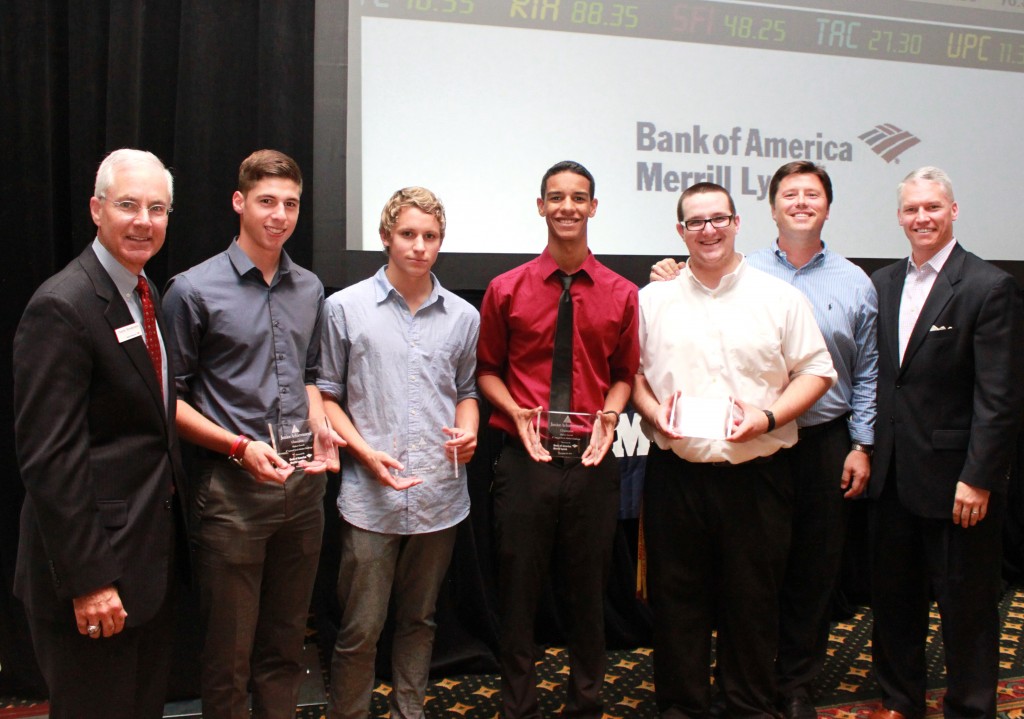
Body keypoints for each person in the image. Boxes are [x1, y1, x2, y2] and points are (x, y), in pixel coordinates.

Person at [650, 161, 878, 718]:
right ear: (680, 232)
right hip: (678, 476)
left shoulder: (778, 298)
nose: (708, 230)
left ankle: (749, 706)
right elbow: (628, 376)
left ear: (736, 223)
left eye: (719, 219)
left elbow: (817, 372)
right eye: (695, 222)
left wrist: (769, 418)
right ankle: (682, 707)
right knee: (677, 603)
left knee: (752, 603)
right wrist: (656, 411)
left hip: (758, 473)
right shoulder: (650, 300)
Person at [162, 149, 341, 719]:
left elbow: (311, 376)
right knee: (228, 660)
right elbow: (169, 403)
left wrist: (318, 419)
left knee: (286, 649)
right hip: (232, 496)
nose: (280, 215)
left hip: (303, 491)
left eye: (290, 204)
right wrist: (239, 446)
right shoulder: (191, 291)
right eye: (267, 201)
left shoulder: (309, 287)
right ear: (240, 202)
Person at [13, 148, 189, 718]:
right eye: (128, 205)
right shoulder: (62, 307)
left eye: (157, 208)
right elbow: (49, 460)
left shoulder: (145, 294)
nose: (144, 221)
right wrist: (90, 581)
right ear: (96, 209)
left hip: (143, 570)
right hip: (92, 581)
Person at [476, 160, 640, 718]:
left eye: (579, 197)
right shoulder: (505, 289)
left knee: (588, 595)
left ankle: (585, 705)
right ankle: (518, 708)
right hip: (525, 459)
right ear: (540, 206)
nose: (567, 207)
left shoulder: (621, 293)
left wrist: (613, 416)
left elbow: (624, 374)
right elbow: (486, 370)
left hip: (593, 460)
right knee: (518, 596)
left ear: (594, 207)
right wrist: (513, 412)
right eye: (556, 197)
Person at [867, 167, 1024, 719]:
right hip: (890, 479)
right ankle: (900, 700)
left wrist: (979, 476)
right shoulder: (883, 283)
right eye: (911, 209)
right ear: (899, 217)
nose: (921, 218)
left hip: (960, 483)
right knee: (893, 602)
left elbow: (1000, 397)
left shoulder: (988, 285)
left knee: (968, 607)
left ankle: (971, 707)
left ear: (953, 211)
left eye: (932, 207)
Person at [317, 187, 480, 719]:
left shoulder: (462, 316)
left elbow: (467, 391)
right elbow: (327, 397)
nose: (419, 247)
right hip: (369, 499)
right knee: (361, 627)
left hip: (439, 494)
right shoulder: (343, 308)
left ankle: (410, 712)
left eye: (430, 237)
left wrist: (470, 429)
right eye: (408, 235)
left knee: (420, 620)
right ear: (386, 237)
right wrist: (364, 454)